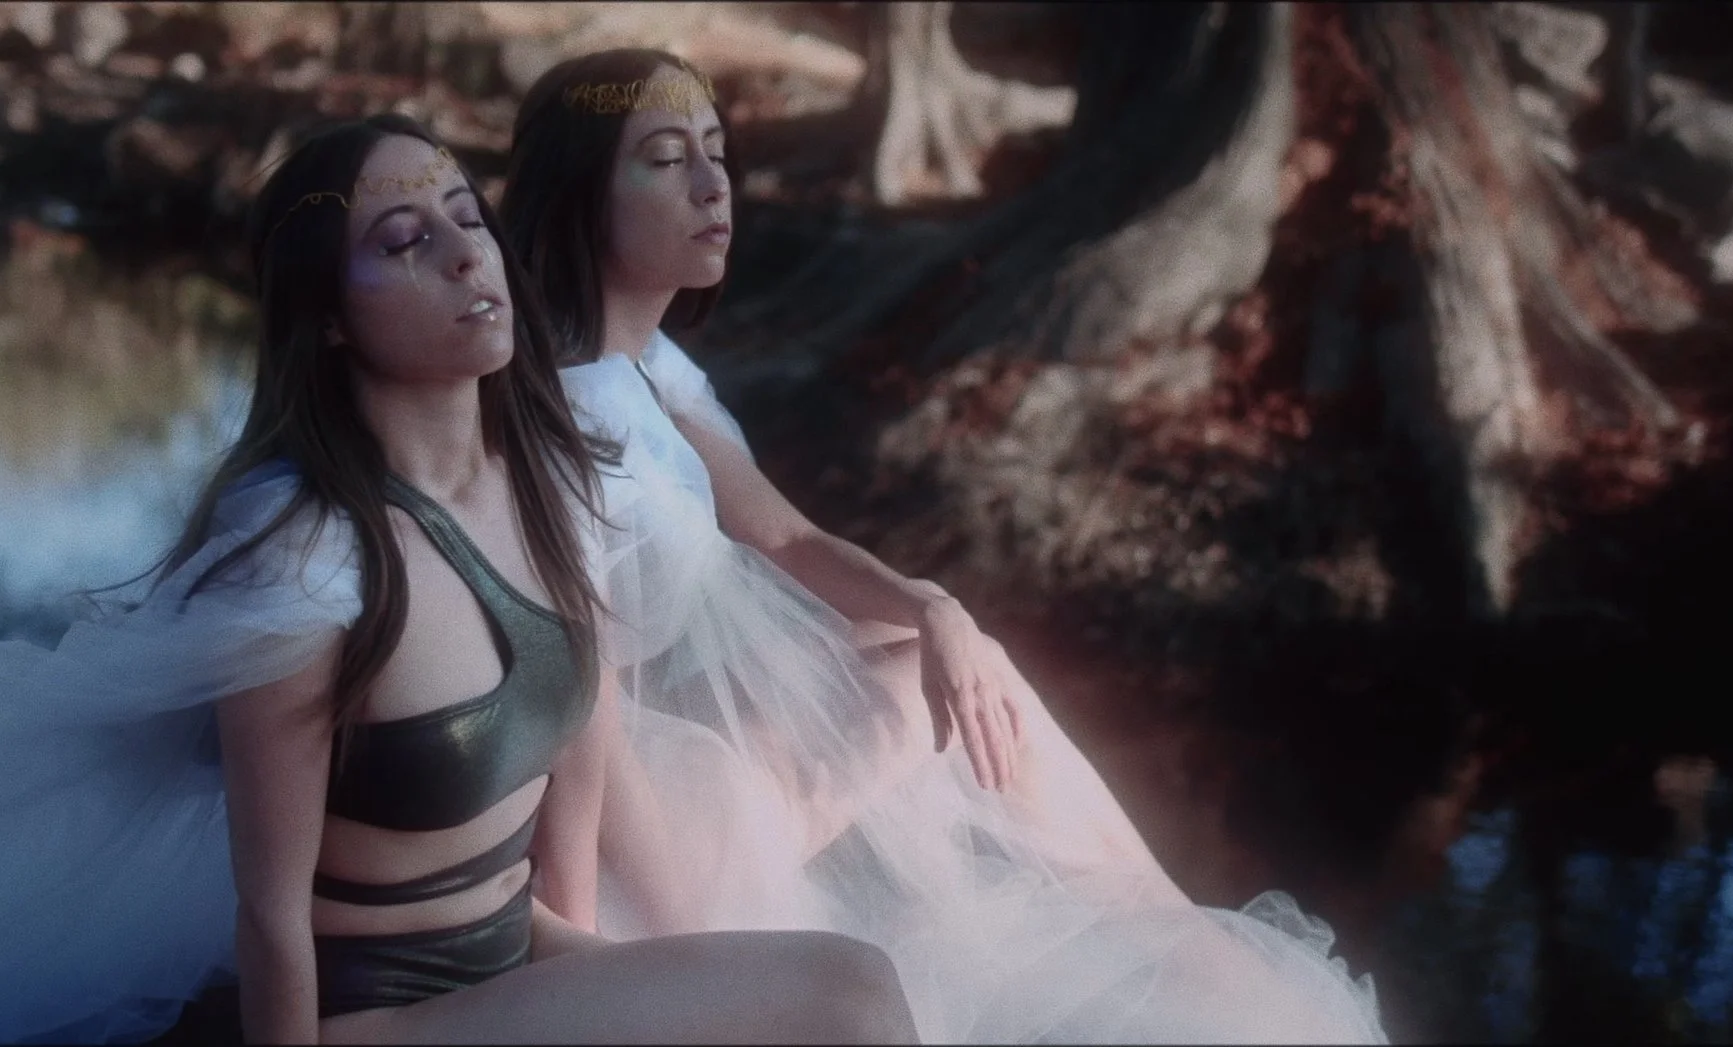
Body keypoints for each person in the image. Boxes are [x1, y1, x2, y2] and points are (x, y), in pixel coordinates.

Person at [0, 113, 919, 1046]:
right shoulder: (305, 562)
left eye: (469, 218)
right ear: (330, 317)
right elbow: (268, 905)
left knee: (837, 984)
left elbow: (568, 805)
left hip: (514, 955)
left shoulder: (552, 485)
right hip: (382, 1011)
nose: (469, 256)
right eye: (406, 240)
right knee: (851, 996)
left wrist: (594, 989)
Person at [499, 49, 1391, 1043]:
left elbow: (787, 534)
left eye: (715, 150)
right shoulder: (564, 412)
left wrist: (938, 608)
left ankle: (1166, 931)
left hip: (697, 768)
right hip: (643, 816)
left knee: (967, 670)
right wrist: (583, 955)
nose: (714, 185)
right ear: (580, 194)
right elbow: (571, 697)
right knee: (974, 736)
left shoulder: (652, 369)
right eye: (666, 160)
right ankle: (1176, 941)